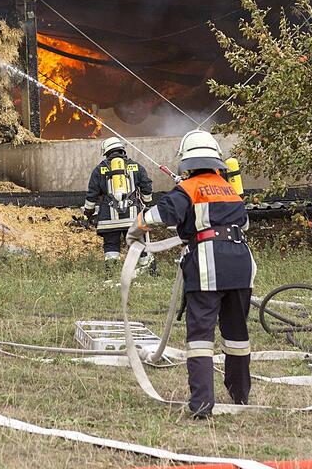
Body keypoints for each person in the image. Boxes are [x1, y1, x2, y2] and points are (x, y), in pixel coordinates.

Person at [127, 130, 254, 418]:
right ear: (216, 162)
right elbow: (242, 224)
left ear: (187, 163)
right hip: (240, 264)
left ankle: (201, 405)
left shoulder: (188, 189)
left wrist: (134, 230)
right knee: (237, 335)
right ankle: (240, 396)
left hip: (208, 266)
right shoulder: (230, 188)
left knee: (199, 337)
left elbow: (156, 216)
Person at [83, 137, 153, 266]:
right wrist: (146, 202)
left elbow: (91, 195)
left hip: (108, 220)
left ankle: (111, 273)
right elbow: (147, 188)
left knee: (111, 247)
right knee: (138, 243)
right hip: (132, 219)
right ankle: (148, 270)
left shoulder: (99, 170)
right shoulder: (136, 167)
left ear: (106, 152)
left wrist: (88, 213)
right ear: (122, 150)